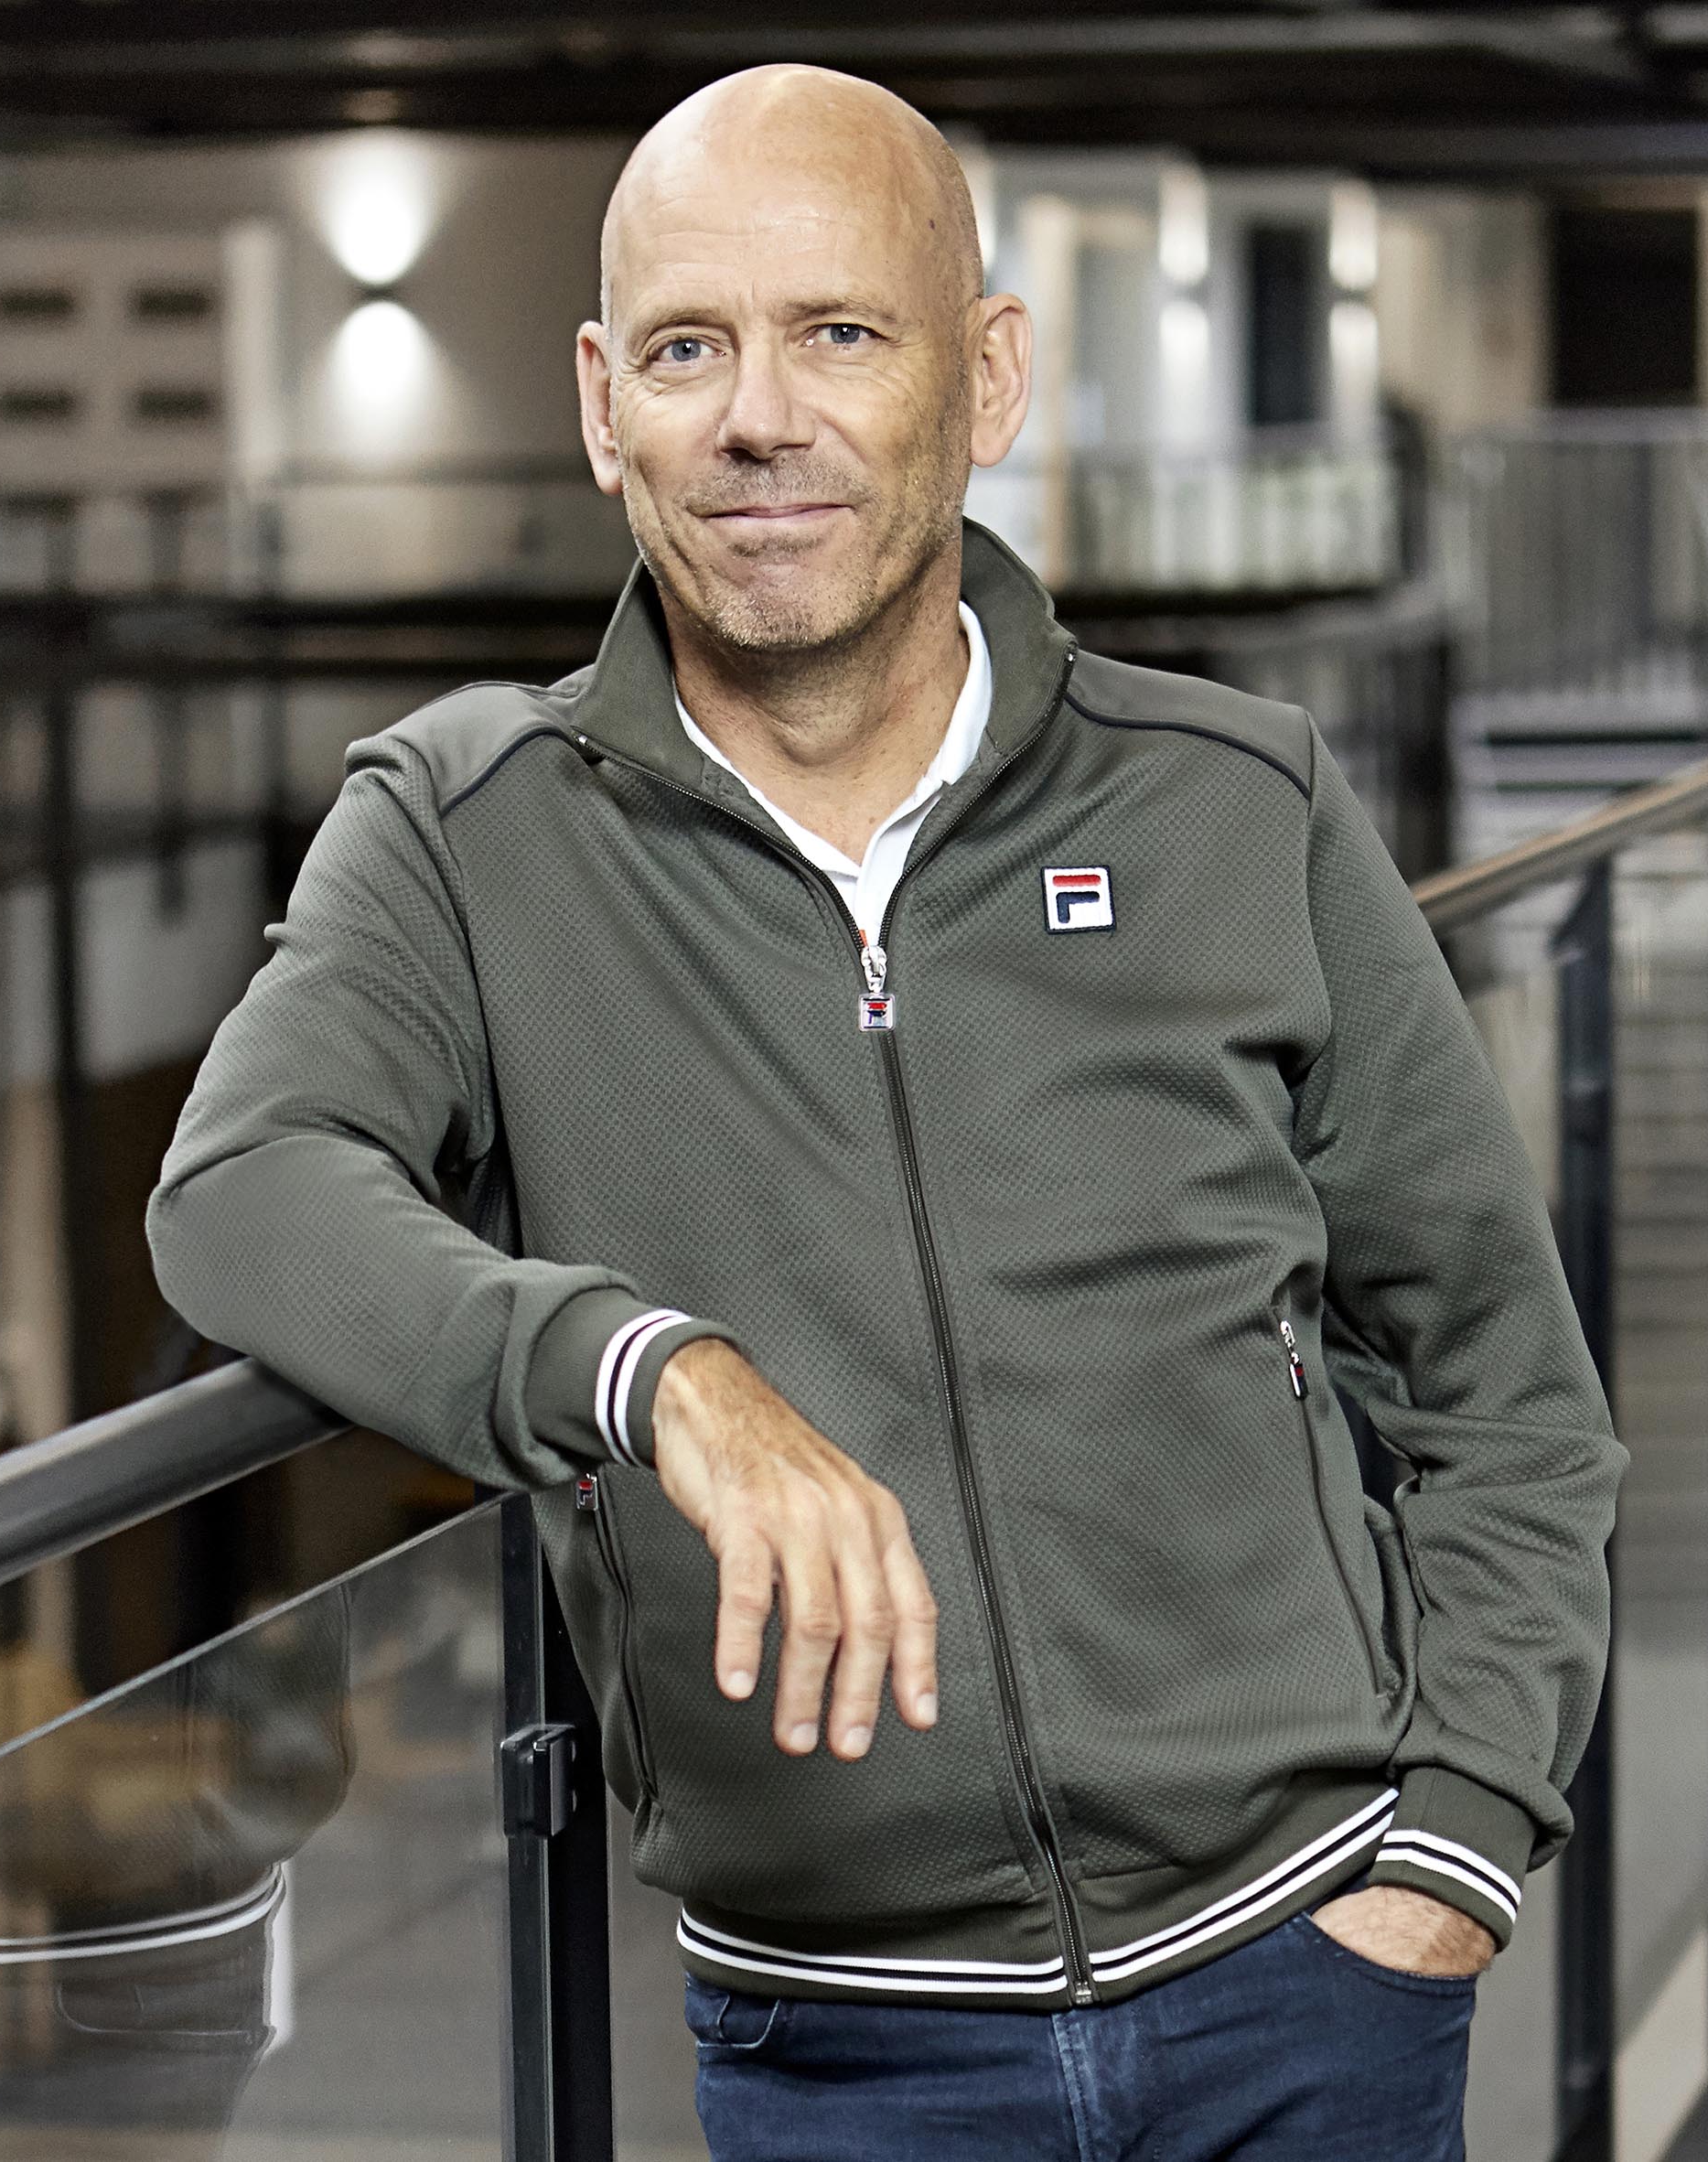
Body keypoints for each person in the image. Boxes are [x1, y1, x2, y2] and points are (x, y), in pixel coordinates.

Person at [151, 64, 1622, 2161]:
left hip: (1306, 1982)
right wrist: (647, 1372)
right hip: (843, 2054)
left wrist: (1455, 1843)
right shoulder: (466, 833)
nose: (759, 418)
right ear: (601, 408)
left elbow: (1501, 1386)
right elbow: (242, 1189)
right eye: (687, 349)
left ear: (985, 376)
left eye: (839, 332)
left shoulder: (1235, 804)